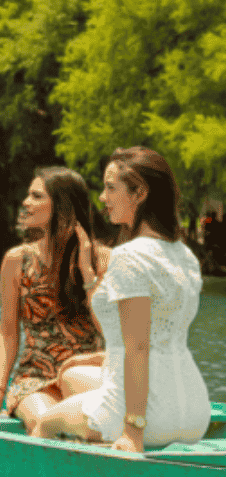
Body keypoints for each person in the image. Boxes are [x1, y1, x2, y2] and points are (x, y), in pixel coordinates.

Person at [35, 147, 210, 452]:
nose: (102, 197)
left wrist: (133, 433)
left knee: (45, 423)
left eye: (111, 187)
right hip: (194, 410)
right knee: (72, 376)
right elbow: (143, 334)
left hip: (151, 415)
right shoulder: (184, 255)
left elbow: (138, 348)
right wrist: (87, 273)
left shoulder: (129, 256)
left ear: (139, 193)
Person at [0, 168, 108, 431]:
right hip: (35, 379)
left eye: (36, 196)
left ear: (62, 207)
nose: (26, 203)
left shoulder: (104, 260)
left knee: (95, 424)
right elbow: (8, 332)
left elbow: (111, 330)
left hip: (86, 375)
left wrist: (87, 272)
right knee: (47, 421)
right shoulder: (17, 260)